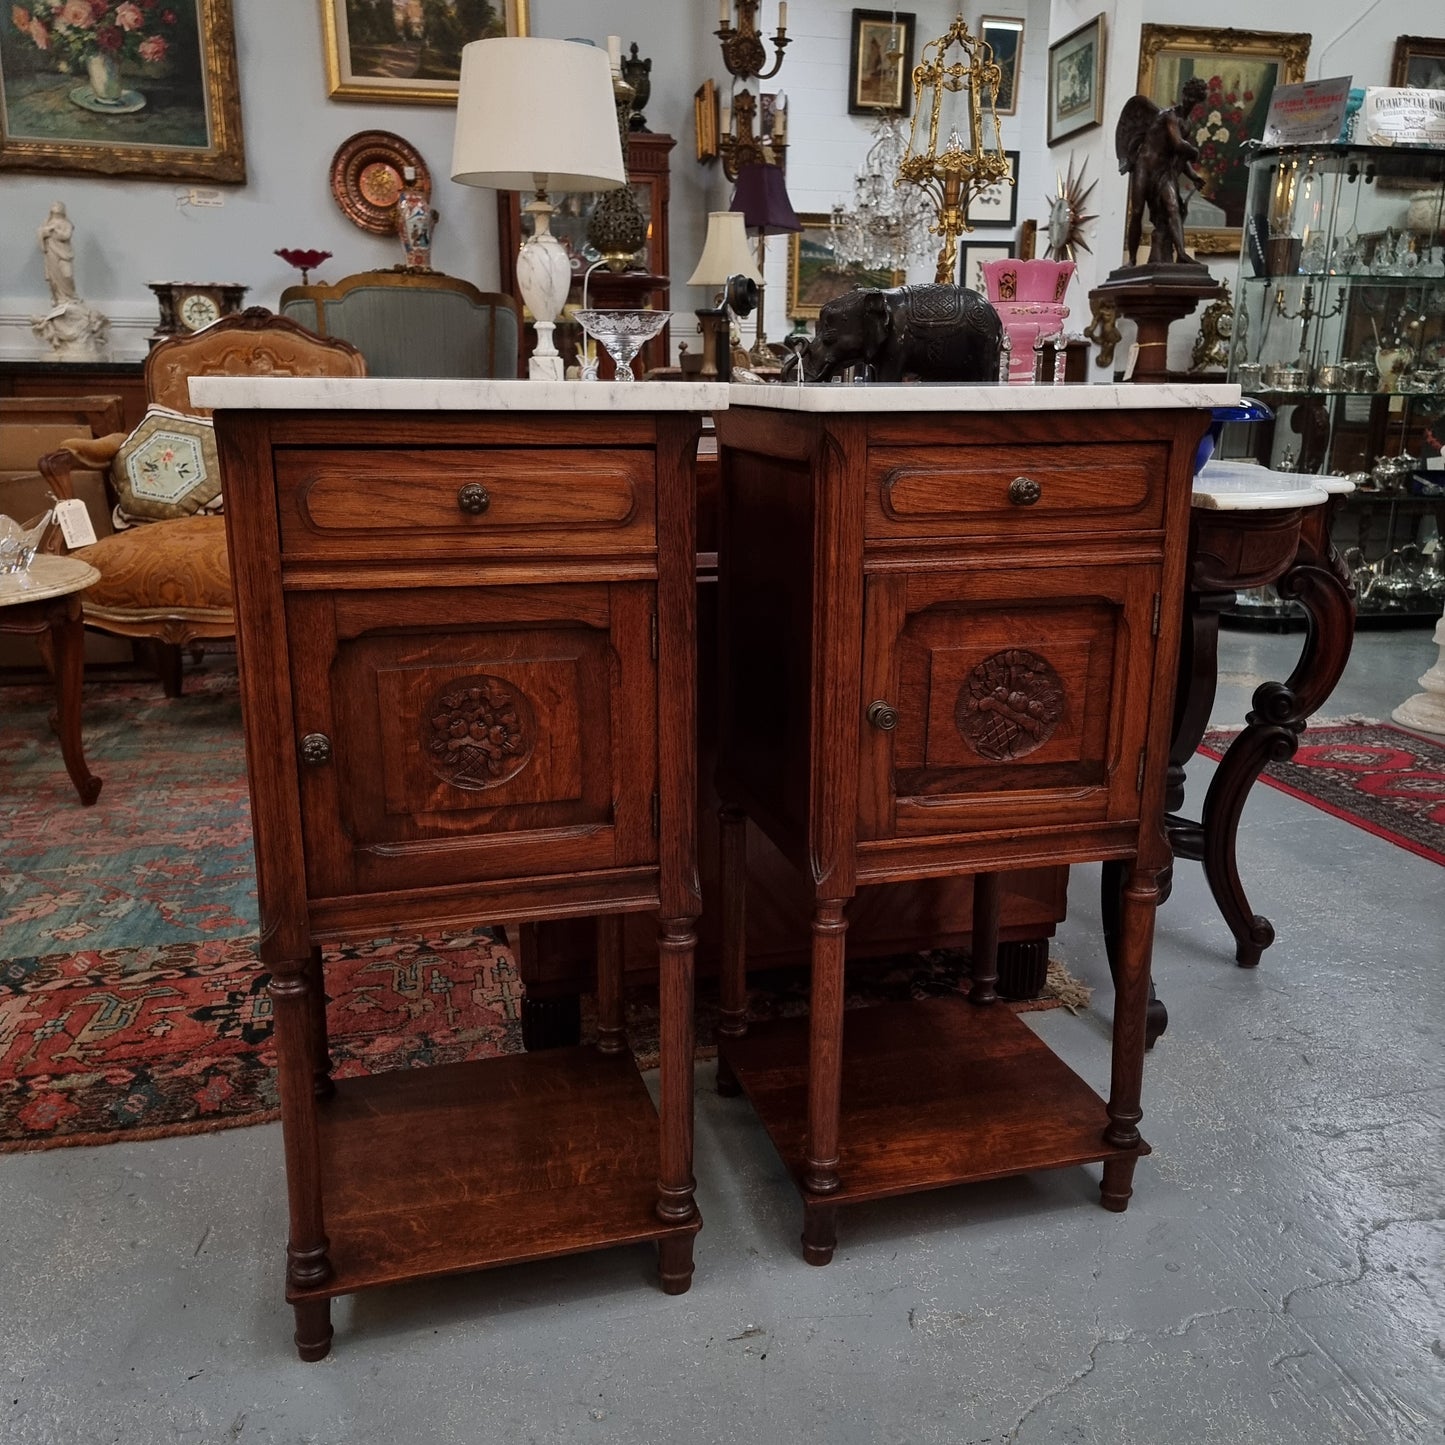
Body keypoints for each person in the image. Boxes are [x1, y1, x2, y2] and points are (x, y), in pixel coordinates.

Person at [1116, 77, 1210, 267]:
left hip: (1163, 171)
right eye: (1187, 95)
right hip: (1145, 165)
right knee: (1136, 211)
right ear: (1183, 95)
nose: (1189, 100)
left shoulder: (1187, 125)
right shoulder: (1169, 116)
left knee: (1173, 208)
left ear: (1198, 101)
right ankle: (1132, 259)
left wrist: (1193, 176)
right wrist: (1195, 151)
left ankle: (1182, 254)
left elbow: (1178, 157)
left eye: (1193, 97)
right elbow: (1178, 144)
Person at [37, 202, 79, 305]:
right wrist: (46, 231)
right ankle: (59, 298)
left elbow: (66, 236)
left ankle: (71, 297)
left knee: (67, 275)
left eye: (58, 213)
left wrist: (55, 230)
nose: (56, 216)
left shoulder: (67, 224)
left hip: (64, 254)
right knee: (54, 277)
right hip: (52, 253)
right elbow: (40, 233)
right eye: (54, 213)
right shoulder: (47, 224)